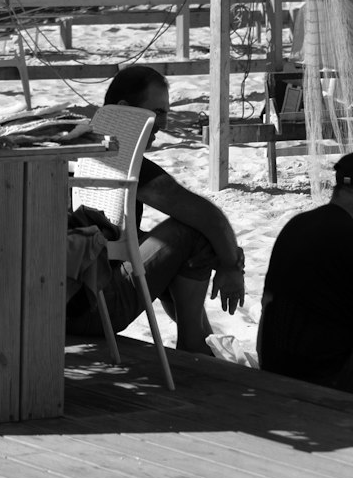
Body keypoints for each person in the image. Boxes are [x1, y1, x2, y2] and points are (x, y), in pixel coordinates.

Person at [66, 64, 246, 354]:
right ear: (125, 109)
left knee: (166, 244)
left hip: (58, 303)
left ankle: (203, 339)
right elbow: (205, 215)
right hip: (92, 307)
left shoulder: (83, 144)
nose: (163, 123)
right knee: (193, 236)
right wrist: (230, 266)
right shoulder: (123, 159)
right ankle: (193, 347)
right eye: (158, 112)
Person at [257, 153, 353, 389]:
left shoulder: (297, 224)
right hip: (325, 377)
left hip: (275, 365)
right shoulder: (348, 235)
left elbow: (267, 304)